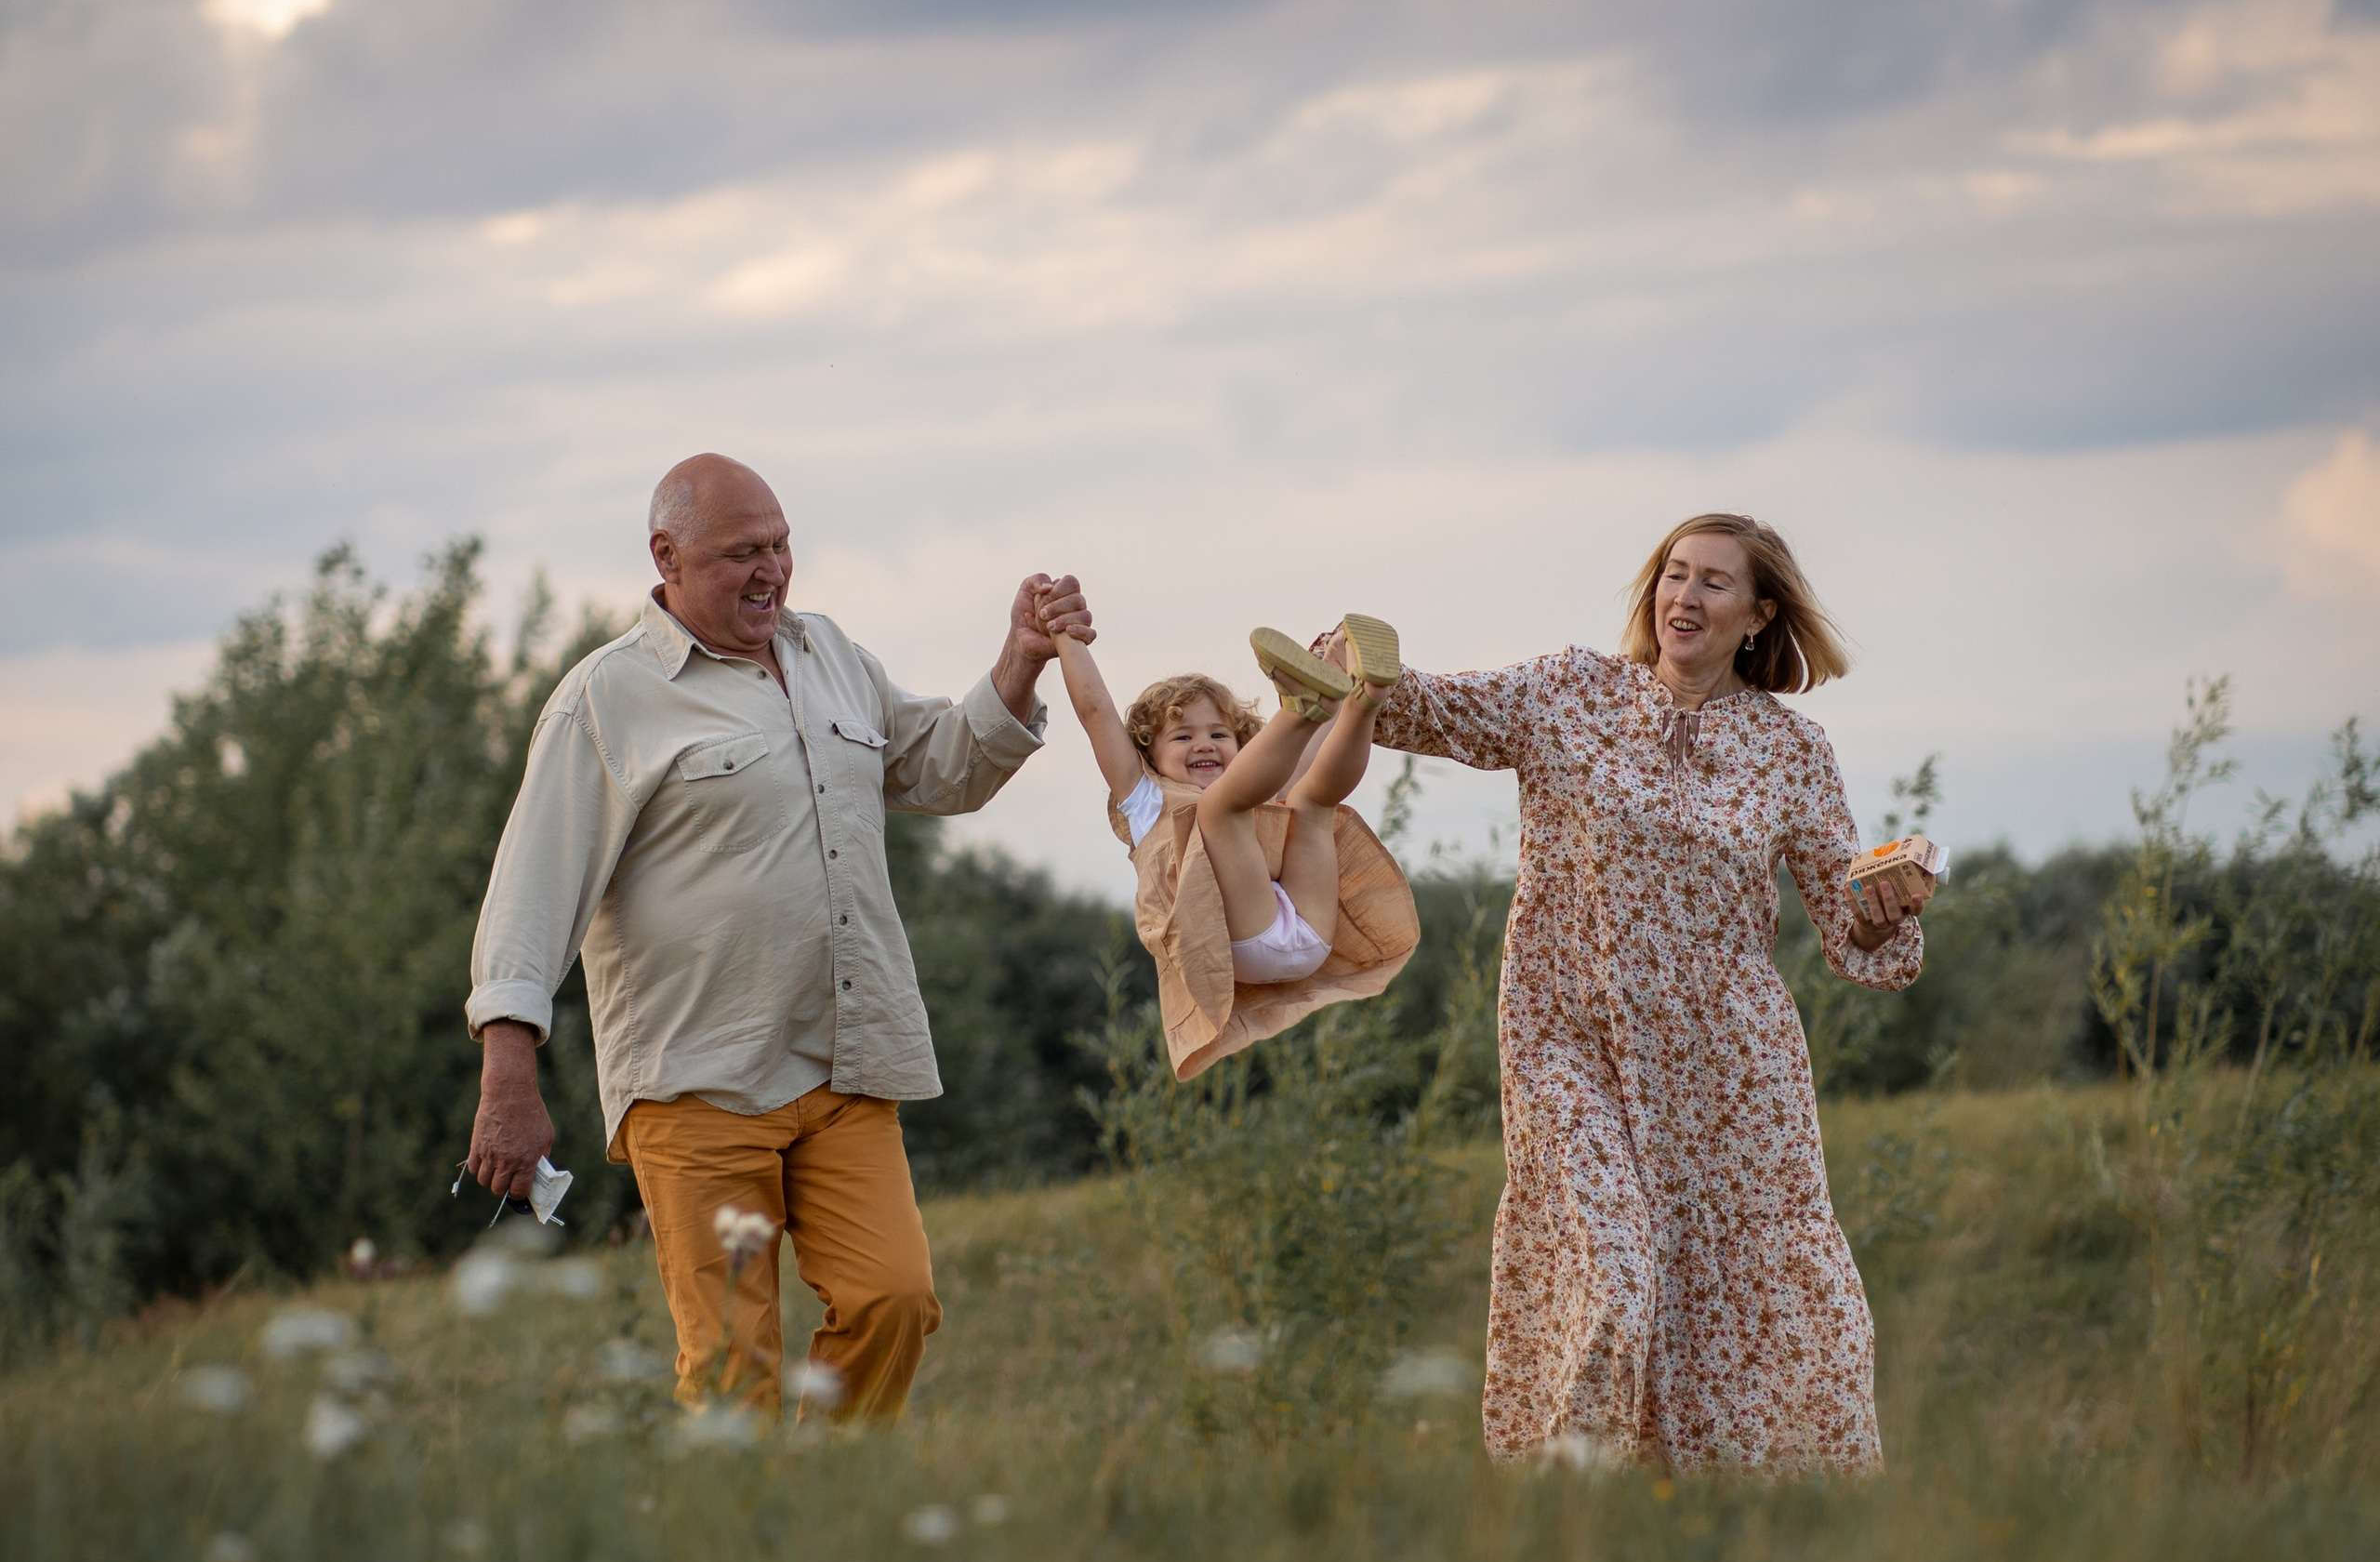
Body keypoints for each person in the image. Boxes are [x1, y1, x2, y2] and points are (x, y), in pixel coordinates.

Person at [464, 453, 1089, 1419]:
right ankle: (745, 1552)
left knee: (893, 1299)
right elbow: (530, 894)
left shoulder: (828, 653)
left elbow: (939, 770)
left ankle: (828, 1514)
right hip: (695, 1082)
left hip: (843, 1067)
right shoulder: (605, 697)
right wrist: (508, 1080)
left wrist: (1018, 659)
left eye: (782, 545)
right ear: (665, 557)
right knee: (732, 1368)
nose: (772, 571)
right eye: (741, 554)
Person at [1371, 515, 1931, 1472]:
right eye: (1673, 574)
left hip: (1731, 1074)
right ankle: (1564, 1501)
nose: (1685, 596)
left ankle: (1739, 1514)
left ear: (1757, 615)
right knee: (1612, 1270)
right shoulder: (1568, 693)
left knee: (1759, 1297)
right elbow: (1426, 708)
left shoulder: (1789, 751)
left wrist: (1883, 907)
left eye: (1713, 583)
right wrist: (1352, 674)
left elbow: (1850, 932)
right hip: (1568, 1042)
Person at [1043, 608, 1420, 1079]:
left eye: (1219, 734)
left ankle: (1366, 700)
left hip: (1309, 929)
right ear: (1149, 756)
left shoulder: (1259, 790)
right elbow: (1095, 711)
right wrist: (1064, 634)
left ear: (1244, 747)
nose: (1204, 744)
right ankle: (1300, 706)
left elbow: (1310, 748)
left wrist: (1341, 663)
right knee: (1220, 808)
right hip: (1239, 946)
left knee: (1311, 800)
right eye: (1183, 736)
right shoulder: (1145, 798)